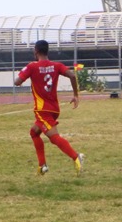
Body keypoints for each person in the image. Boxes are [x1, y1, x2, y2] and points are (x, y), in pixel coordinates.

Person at [14, 39, 84, 176]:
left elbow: (17, 82)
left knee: (54, 137)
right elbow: (71, 75)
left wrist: (25, 72)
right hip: (54, 109)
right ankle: (42, 165)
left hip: (42, 110)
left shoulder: (32, 66)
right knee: (34, 133)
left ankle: (76, 157)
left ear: (36, 51)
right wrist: (76, 95)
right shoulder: (56, 65)